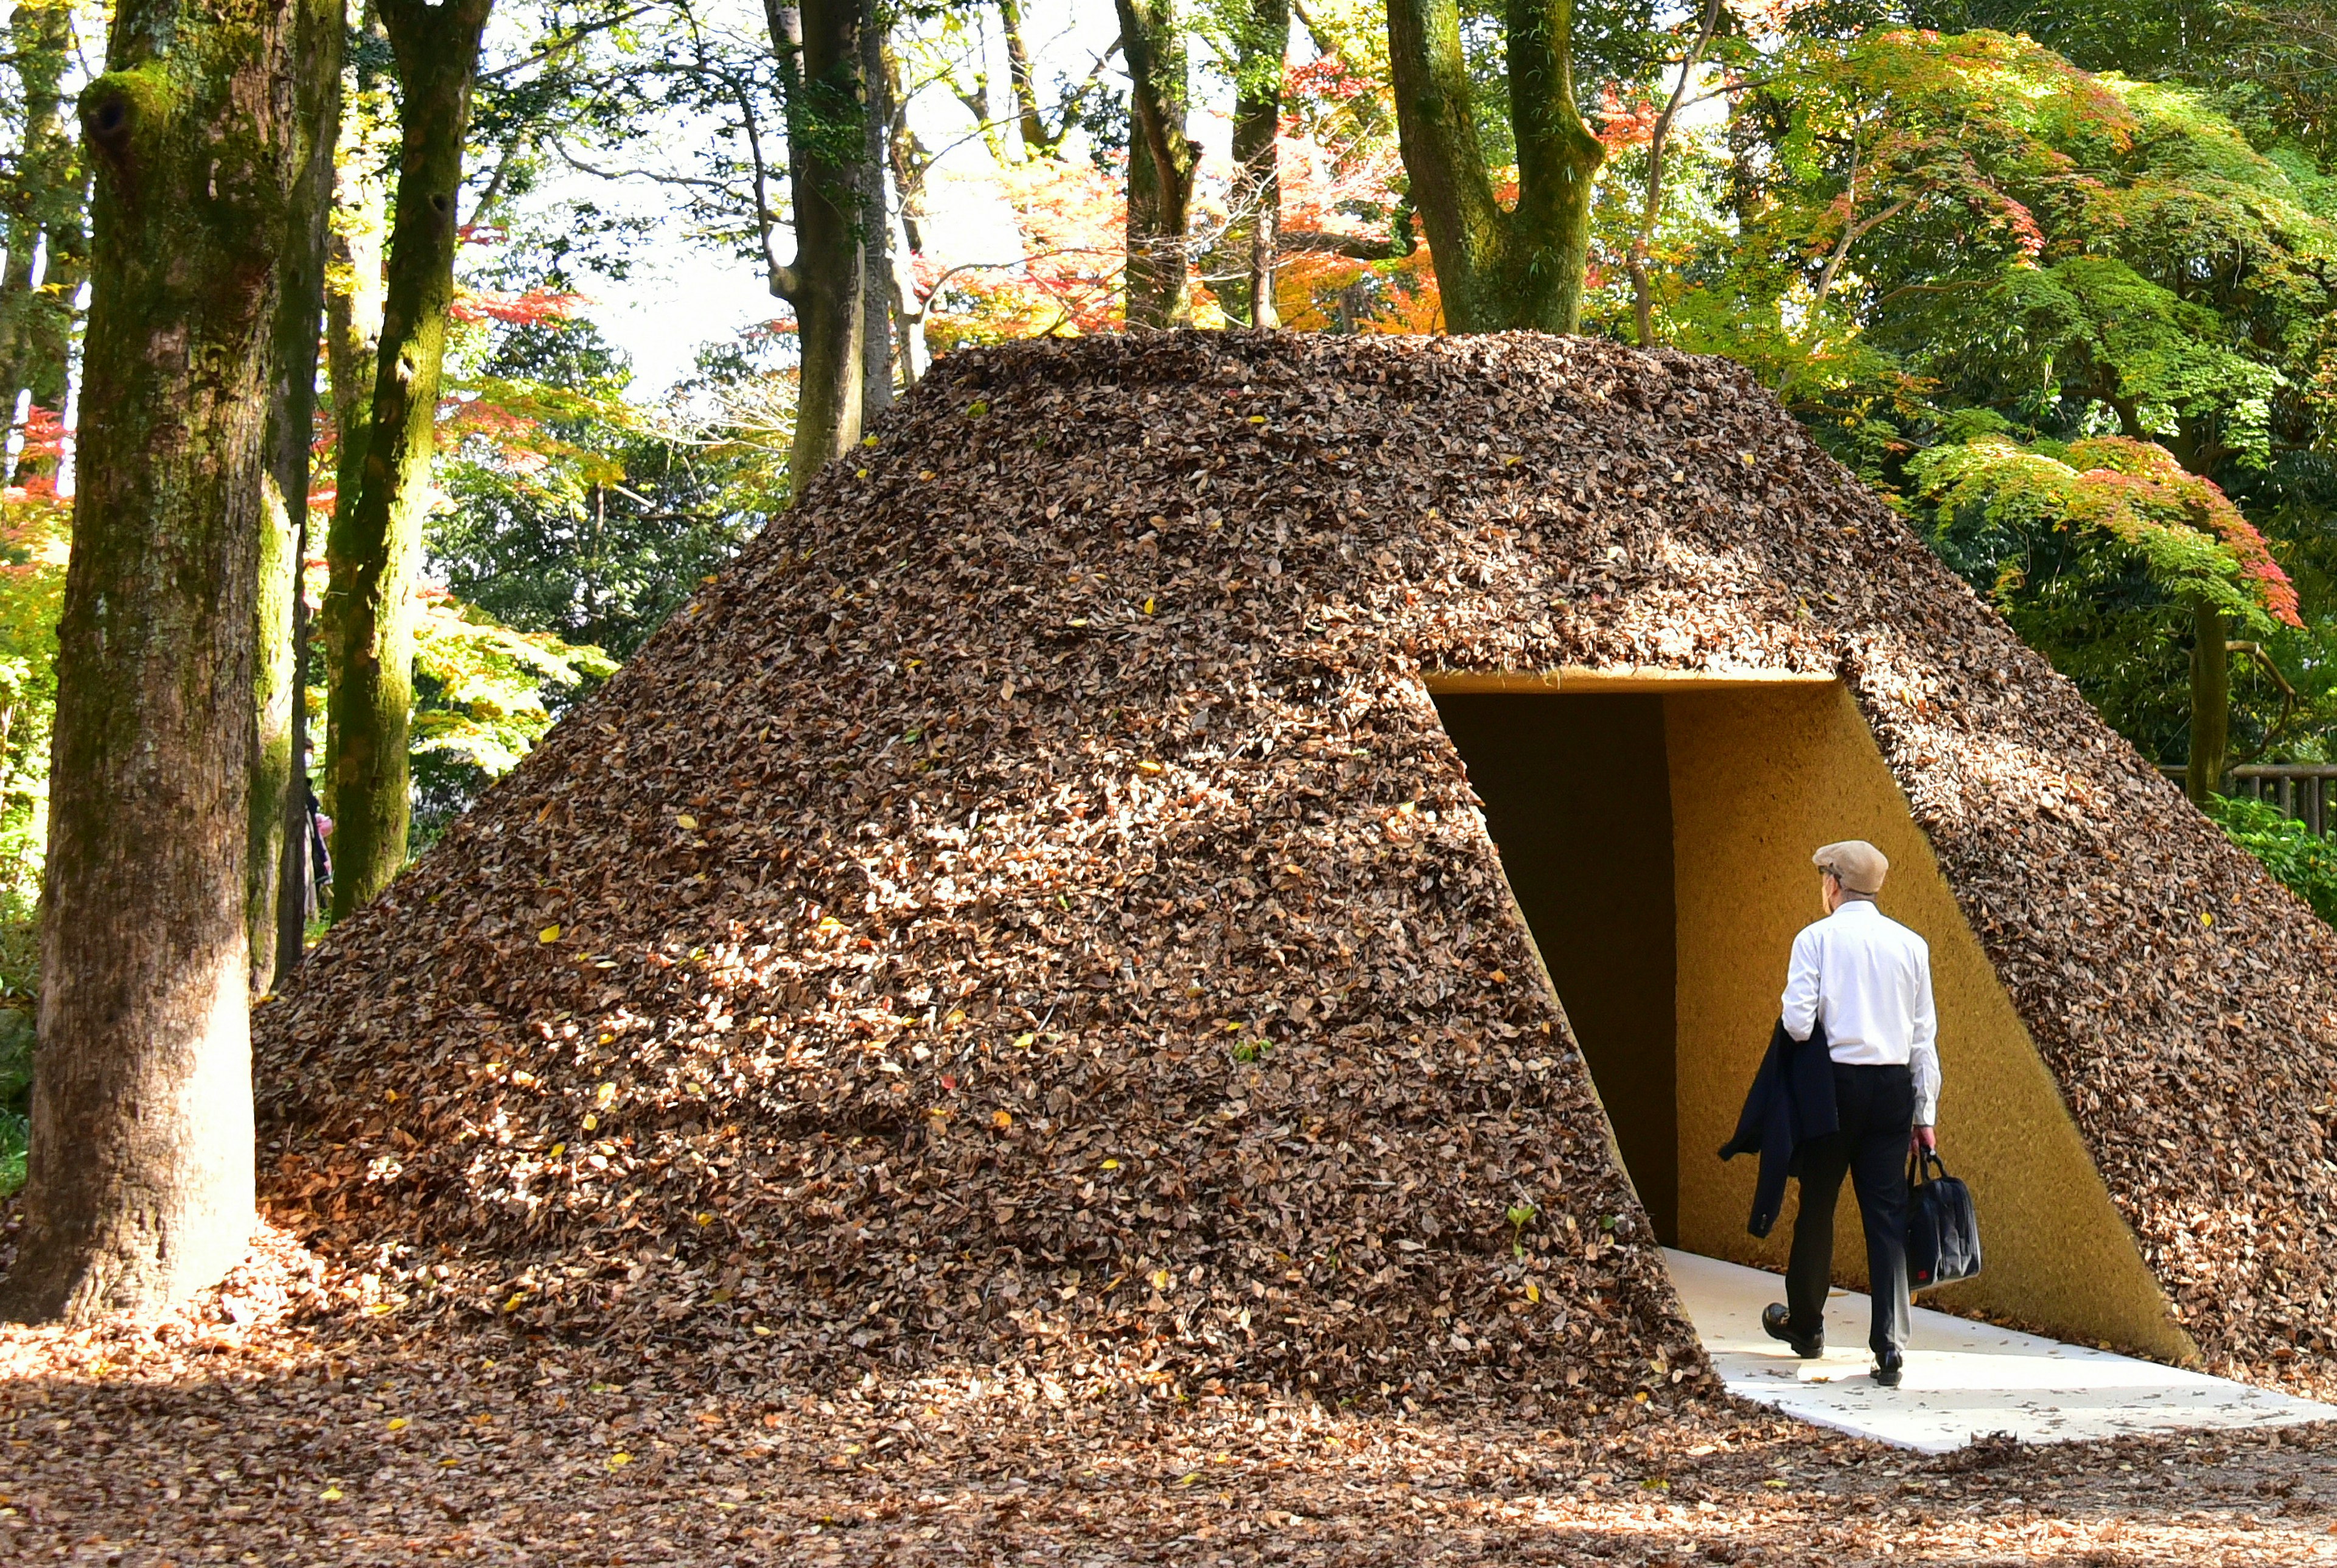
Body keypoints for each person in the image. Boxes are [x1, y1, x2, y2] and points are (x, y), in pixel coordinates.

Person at [1761, 839, 1939, 1389]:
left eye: (1824, 879)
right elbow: (1922, 1038)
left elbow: (1796, 1022)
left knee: (1818, 1201)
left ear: (1835, 884)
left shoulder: (1815, 940)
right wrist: (1924, 1112)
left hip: (1833, 1088)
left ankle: (1808, 1326)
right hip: (1891, 1090)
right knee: (1885, 1216)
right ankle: (1889, 1349)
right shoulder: (1912, 945)